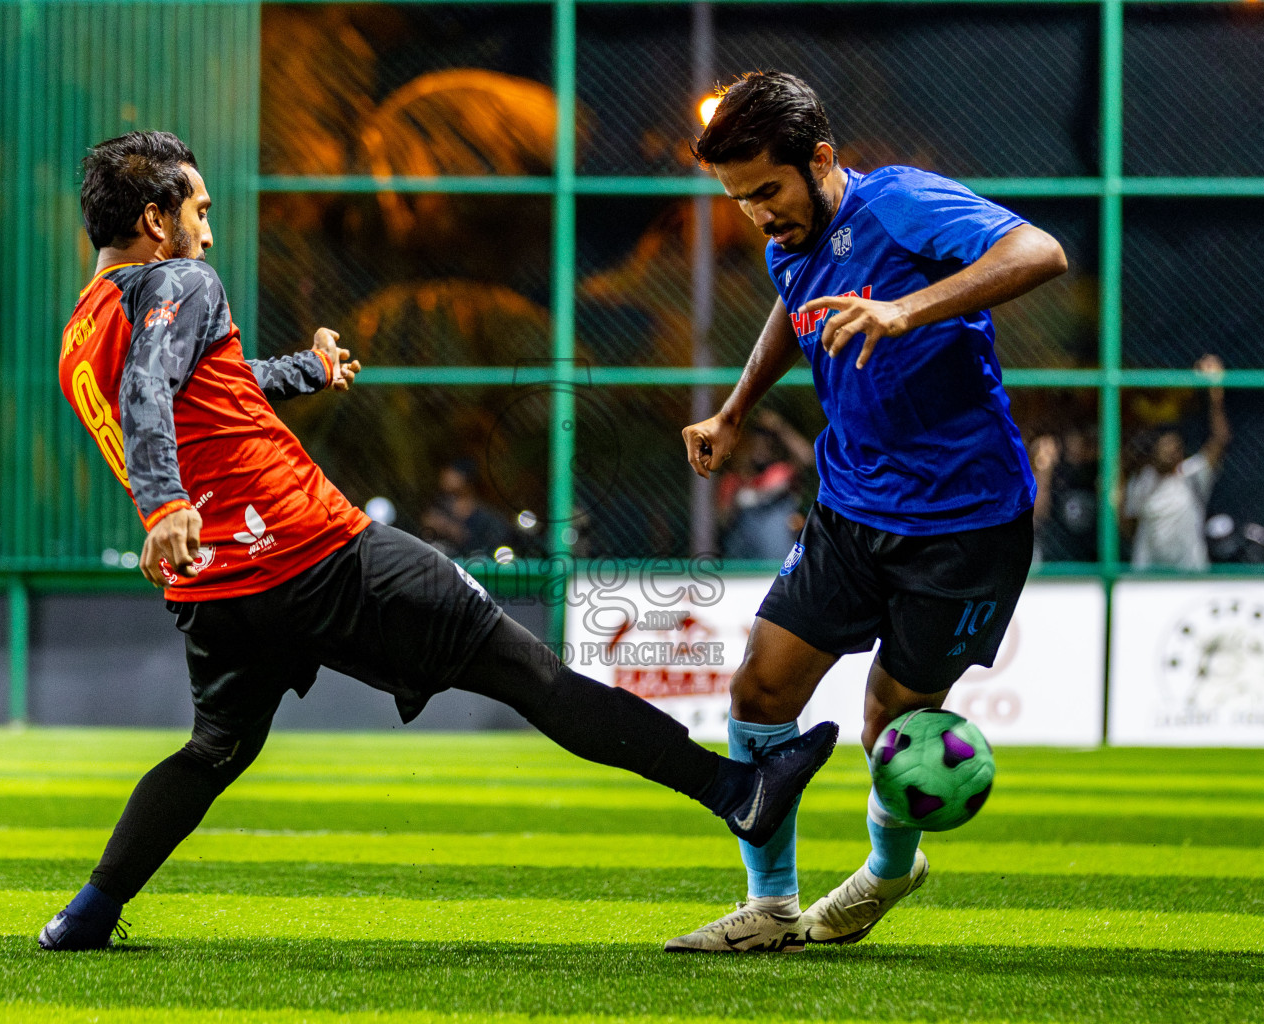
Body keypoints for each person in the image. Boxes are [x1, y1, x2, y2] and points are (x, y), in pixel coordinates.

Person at [41, 131, 838, 951]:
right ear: (154, 217)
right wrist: (164, 499)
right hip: (314, 554)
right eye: (198, 211)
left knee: (213, 750)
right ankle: (737, 790)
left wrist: (307, 373)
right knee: (533, 675)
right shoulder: (182, 279)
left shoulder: (82, 328)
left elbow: (206, 392)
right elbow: (151, 386)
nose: (207, 231)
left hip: (219, 593)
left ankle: (87, 914)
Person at [672, 72, 1068, 952]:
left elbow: (1040, 254)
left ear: (820, 160)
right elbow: (793, 303)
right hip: (850, 508)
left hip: (964, 523)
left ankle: (890, 870)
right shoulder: (792, 234)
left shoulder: (900, 204)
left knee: (892, 722)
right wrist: (735, 410)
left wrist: (903, 309)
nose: (757, 215)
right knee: (760, 688)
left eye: (767, 190)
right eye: (740, 200)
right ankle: (771, 903)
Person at [1122, 355, 1230, 570]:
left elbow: (1220, 439)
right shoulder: (1142, 481)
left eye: (1175, 448)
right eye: (1164, 447)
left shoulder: (1192, 475)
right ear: (1153, 453)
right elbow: (1127, 522)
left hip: (1189, 572)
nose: (1170, 452)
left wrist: (1216, 395)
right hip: (1149, 576)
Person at [716, 409, 814, 561]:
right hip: (741, 565)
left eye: (767, 439)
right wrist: (738, 499)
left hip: (777, 564)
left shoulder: (781, 472)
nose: (762, 445)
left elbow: (807, 458)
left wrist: (780, 428)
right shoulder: (733, 480)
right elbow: (722, 521)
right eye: (756, 439)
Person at [1031, 425, 1099, 563]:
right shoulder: (1052, 475)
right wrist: (1045, 471)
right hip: (1053, 551)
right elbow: (1039, 511)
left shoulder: (1094, 472)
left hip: (1088, 553)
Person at [420, 459, 513, 558]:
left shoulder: (486, 517)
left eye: (452, 472)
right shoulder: (439, 507)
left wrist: (452, 530)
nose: (445, 475)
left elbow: (494, 546)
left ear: (466, 479)